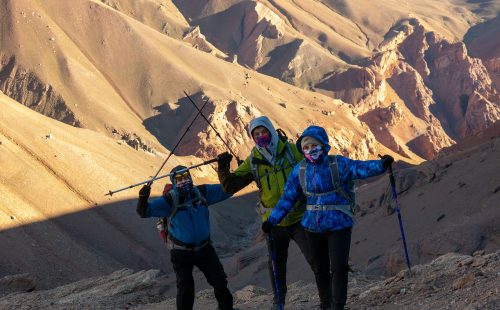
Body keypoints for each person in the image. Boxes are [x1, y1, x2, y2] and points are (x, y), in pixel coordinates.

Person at [262, 125, 394, 310]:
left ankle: (338, 305)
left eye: (313, 145)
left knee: (339, 267)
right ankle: (326, 304)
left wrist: (381, 164)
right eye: (305, 148)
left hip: (338, 225)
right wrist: (272, 220)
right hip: (311, 228)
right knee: (320, 269)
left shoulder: (338, 164)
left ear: (323, 145)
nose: (310, 150)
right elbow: (288, 197)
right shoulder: (299, 171)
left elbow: (361, 168)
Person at [217, 115, 312, 309]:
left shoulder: (292, 151)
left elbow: (314, 168)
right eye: (256, 134)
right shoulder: (254, 160)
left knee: (316, 257)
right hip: (274, 222)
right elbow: (230, 187)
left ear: (271, 130)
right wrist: (223, 168)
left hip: (300, 217)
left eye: (263, 132)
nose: (261, 136)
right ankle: (279, 303)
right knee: (277, 265)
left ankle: (329, 298)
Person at [136, 165, 234, 310]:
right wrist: (143, 198)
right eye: (179, 178)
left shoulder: (201, 192)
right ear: (173, 181)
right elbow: (143, 212)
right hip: (181, 253)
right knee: (185, 288)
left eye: (186, 176)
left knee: (219, 281)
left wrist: (223, 169)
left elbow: (227, 190)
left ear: (190, 176)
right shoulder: (169, 200)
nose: (184, 181)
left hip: (204, 248)